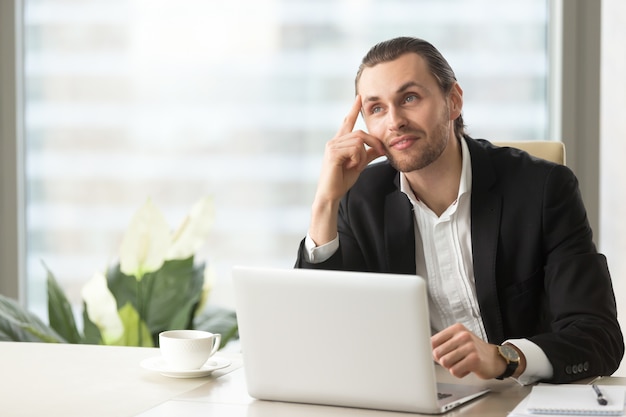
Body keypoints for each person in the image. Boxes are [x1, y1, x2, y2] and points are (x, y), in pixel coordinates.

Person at [295, 36, 624, 384]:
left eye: (409, 98)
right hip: (413, 399)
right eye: (376, 108)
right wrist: (325, 202)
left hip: (517, 398)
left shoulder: (543, 189)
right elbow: (319, 336)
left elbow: (598, 338)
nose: (394, 122)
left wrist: (504, 357)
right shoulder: (361, 198)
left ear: (453, 102)